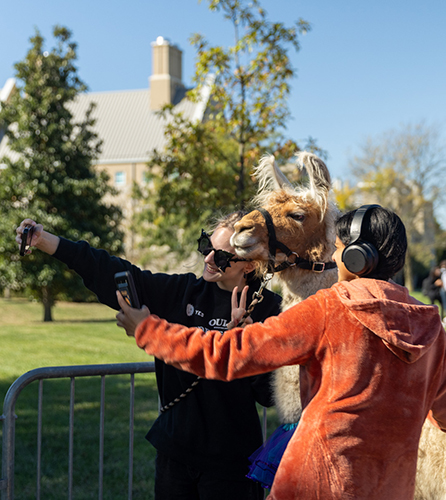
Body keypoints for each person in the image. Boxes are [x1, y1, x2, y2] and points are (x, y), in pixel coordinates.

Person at [116, 205, 446, 500]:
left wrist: (148, 330)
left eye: (339, 249)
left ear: (357, 257)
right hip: (390, 488)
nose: (333, 257)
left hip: (315, 484)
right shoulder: (432, 330)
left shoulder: (331, 307)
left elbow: (228, 354)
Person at [16, 212, 282, 500]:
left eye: (220, 257)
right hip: (174, 452)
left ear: (250, 265)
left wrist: (250, 342)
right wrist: (44, 240)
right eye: (206, 247)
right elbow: (107, 268)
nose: (207, 259)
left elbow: (269, 395)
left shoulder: (269, 309)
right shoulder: (184, 292)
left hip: (230, 462)